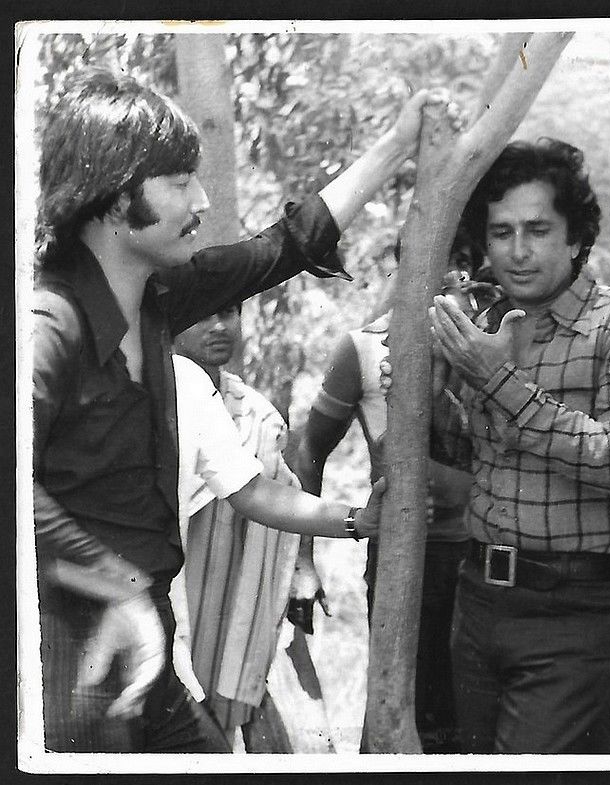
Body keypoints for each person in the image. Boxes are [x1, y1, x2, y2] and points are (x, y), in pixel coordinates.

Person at [31, 67, 442, 752]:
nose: (201, 196)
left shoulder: (157, 298)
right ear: (111, 197)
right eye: (177, 180)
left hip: (144, 631)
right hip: (67, 654)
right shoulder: (51, 321)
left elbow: (286, 244)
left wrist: (399, 143)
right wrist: (115, 584)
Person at [428, 138, 610, 754]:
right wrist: (434, 386)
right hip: (480, 601)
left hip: (580, 614)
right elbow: (480, 458)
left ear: (576, 237)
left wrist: (499, 382)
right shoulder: (482, 327)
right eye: (501, 231)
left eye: (537, 230)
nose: (517, 251)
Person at [291, 236, 492, 754]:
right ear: (403, 270)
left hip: (485, 555)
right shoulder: (363, 349)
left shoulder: (496, 352)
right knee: (403, 714)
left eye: (461, 265)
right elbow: (310, 449)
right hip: (407, 556)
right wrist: (304, 564)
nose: (448, 279)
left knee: (474, 723)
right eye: (431, 265)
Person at [168, 351, 383, 745]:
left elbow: (253, 491)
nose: (218, 324)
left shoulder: (211, 394)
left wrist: (355, 521)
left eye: (229, 310)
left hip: (215, 603)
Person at [172, 303, 324, 751]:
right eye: (202, 314)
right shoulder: (149, 403)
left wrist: (301, 567)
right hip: (178, 584)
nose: (219, 327)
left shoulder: (258, 415)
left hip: (235, 593)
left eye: (229, 313)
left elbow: (283, 493)